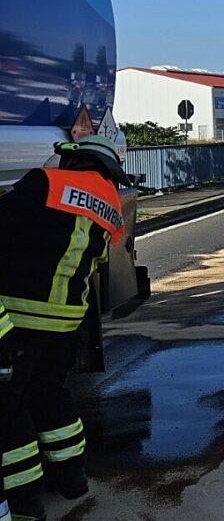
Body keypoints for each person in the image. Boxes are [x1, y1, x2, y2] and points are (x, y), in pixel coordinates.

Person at [0, 135, 132, 521]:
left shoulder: (45, 182)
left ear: (76, 160)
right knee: (50, 395)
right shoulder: (111, 209)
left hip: (20, 317)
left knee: (8, 409)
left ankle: (24, 503)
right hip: (66, 323)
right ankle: (72, 479)